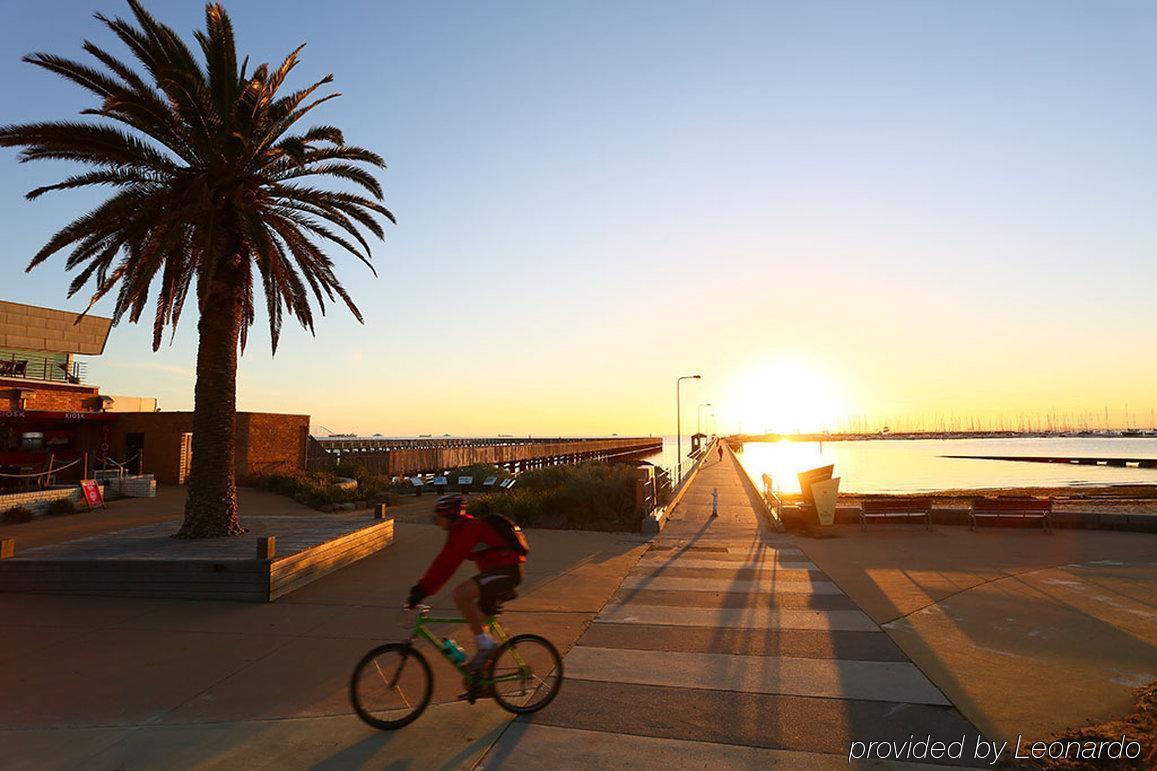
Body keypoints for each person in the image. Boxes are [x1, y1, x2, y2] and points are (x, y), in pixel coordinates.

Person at [406, 494, 525, 670]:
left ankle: (486, 647)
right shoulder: (461, 529)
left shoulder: (467, 528)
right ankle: (482, 680)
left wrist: (423, 590)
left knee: (460, 594)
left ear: (449, 515)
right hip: (500, 573)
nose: (436, 522)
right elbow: (444, 560)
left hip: (506, 572)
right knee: (477, 622)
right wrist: (423, 587)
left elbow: (447, 563)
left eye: (438, 517)